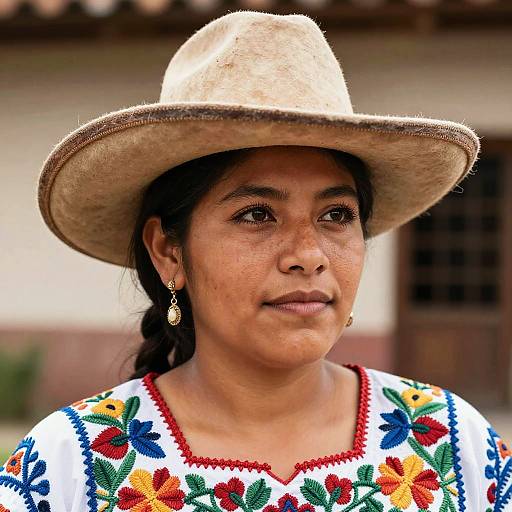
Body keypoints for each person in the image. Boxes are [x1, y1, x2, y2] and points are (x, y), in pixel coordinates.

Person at [1, 9, 510, 512]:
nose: (308, 256)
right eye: (256, 214)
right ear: (167, 250)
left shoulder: (449, 445)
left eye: (336, 214)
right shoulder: (72, 467)